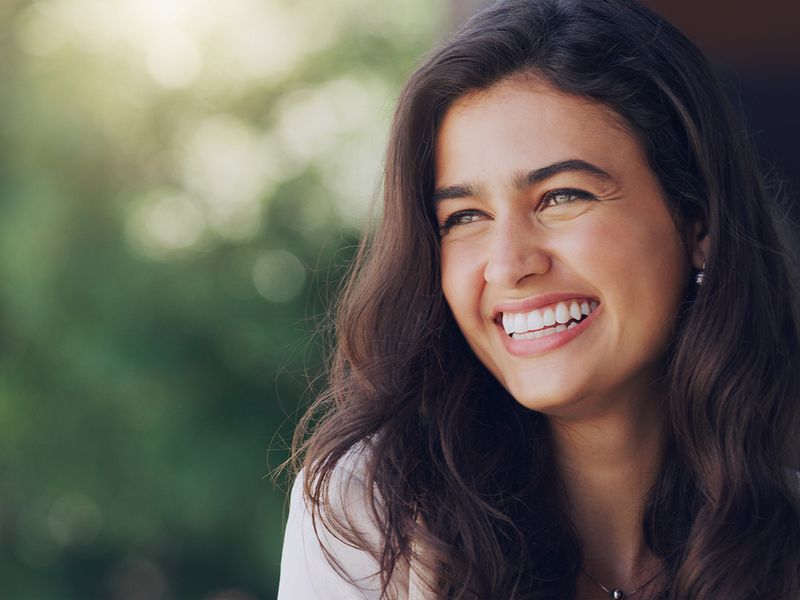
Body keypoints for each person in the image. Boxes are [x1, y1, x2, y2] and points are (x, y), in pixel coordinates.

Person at [278, 0, 800, 598]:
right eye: (465, 215)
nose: (507, 263)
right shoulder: (373, 522)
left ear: (697, 227)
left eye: (561, 197)